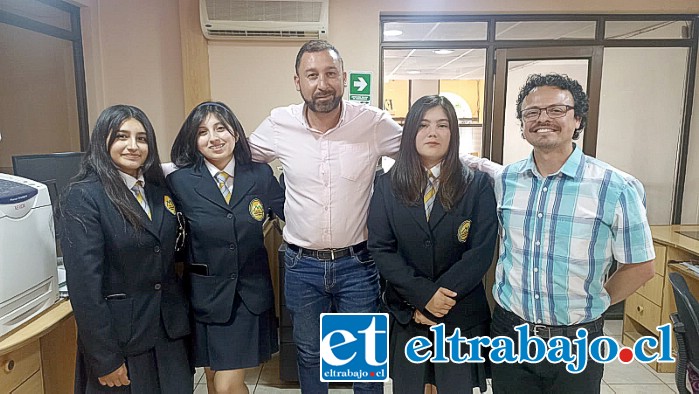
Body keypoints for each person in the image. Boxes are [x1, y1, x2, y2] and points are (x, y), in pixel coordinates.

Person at [463, 73, 655, 393]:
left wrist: (595, 303)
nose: (543, 119)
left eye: (556, 110)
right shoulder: (505, 181)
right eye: (532, 113)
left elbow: (641, 266)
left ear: (577, 119)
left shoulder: (616, 186)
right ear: (523, 125)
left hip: (578, 342)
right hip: (511, 336)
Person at [248, 40, 402, 393]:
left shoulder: (372, 123)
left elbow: (423, 149)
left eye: (330, 73)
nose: (322, 83)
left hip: (358, 265)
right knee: (309, 353)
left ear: (343, 78)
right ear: (297, 81)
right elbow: (233, 155)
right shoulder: (279, 123)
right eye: (312, 75)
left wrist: (492, 171)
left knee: (363, 360)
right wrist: (157, 170)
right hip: (302, 266)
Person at [368, 95, 497, 394]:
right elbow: (381, 248)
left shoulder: (477, 186)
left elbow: (480, 253)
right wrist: (423, 296)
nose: (433, 132)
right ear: (411, 132)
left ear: (454, 133)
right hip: (408, 312)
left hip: (459, 313)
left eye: (443, 125)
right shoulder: (386, 185)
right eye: (423, 125)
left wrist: (441, 299)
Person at [58, 105, 192, 393]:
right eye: (121, 136)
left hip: (168, 332)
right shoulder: (84, 195)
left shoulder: (157, 190)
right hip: (121, 340)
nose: (133, 146)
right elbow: (84, 288)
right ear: (102, 142)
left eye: (142, 138)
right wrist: (104, 358)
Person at [167, 101, 284, 394]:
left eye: (221, 128)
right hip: (203, 297)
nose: (214, 138)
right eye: (203, 132)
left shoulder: (259, 175)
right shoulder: (179, 182)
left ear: (235, 132)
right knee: (212, 378)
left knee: (227, 385)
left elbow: (294, 212)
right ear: (193, 140)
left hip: (248, 296)